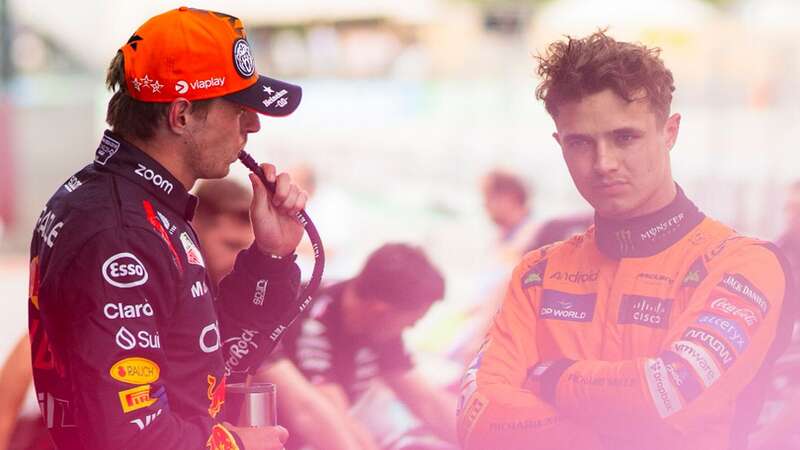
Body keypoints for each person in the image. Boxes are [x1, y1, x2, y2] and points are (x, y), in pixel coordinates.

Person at [456, 30, 796, 450]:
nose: (604, 164)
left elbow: (670, 391)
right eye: (580, 142)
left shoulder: (745, 265)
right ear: (559, 144)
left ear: (669, 132)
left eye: (625, 137)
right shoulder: (538, 273)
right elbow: (480, 417)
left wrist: (550, 377)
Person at [28, 8, 310, 450]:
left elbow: (209, 363)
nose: (253, 125)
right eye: (239, 109)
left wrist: (271, 259)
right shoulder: (121, 230)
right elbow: (129, 438)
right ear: (181, 116)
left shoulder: (137, 205)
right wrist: (235, 445)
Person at [194, 178, 377, 450]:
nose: (237, 262)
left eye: (245, 251)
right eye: (230, 246)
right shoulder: (182, 294)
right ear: (193, 231)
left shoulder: (245, 307)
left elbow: (306, 406)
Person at [274, 244, 458, 447]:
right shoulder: (312, 320)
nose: (411, 327)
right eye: (412, 320)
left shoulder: (377, 324)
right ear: (381, 310)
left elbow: (427, 402)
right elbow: (333, 418)